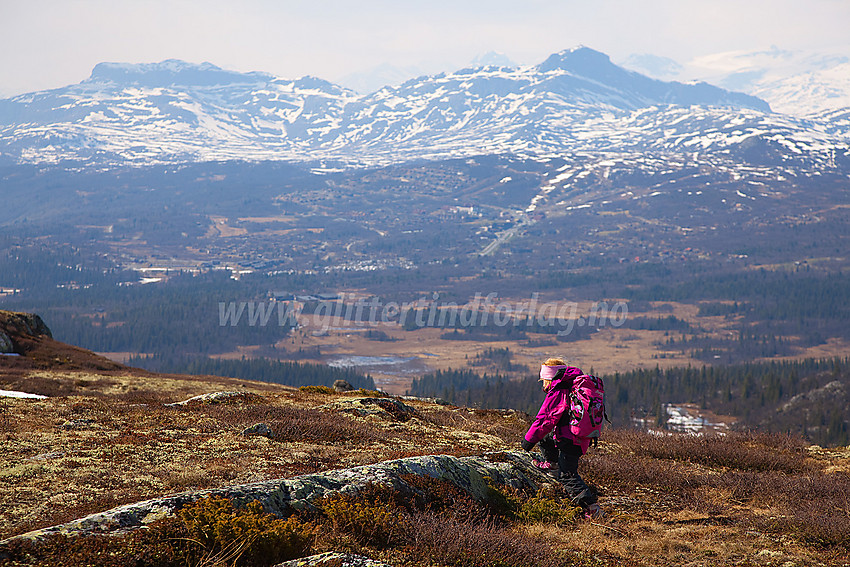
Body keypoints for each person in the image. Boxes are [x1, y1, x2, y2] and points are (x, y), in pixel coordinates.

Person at [521, 357, 603, 519]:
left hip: (571, 439)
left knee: (568, 475)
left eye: (543, 380)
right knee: (546, 438)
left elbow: (546, 418)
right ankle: (552, 465)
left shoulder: (559, 389)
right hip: (578, 436)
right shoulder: (573, 383)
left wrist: (528, 441)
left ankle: (592, 508)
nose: (543, 384)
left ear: (549, 378)